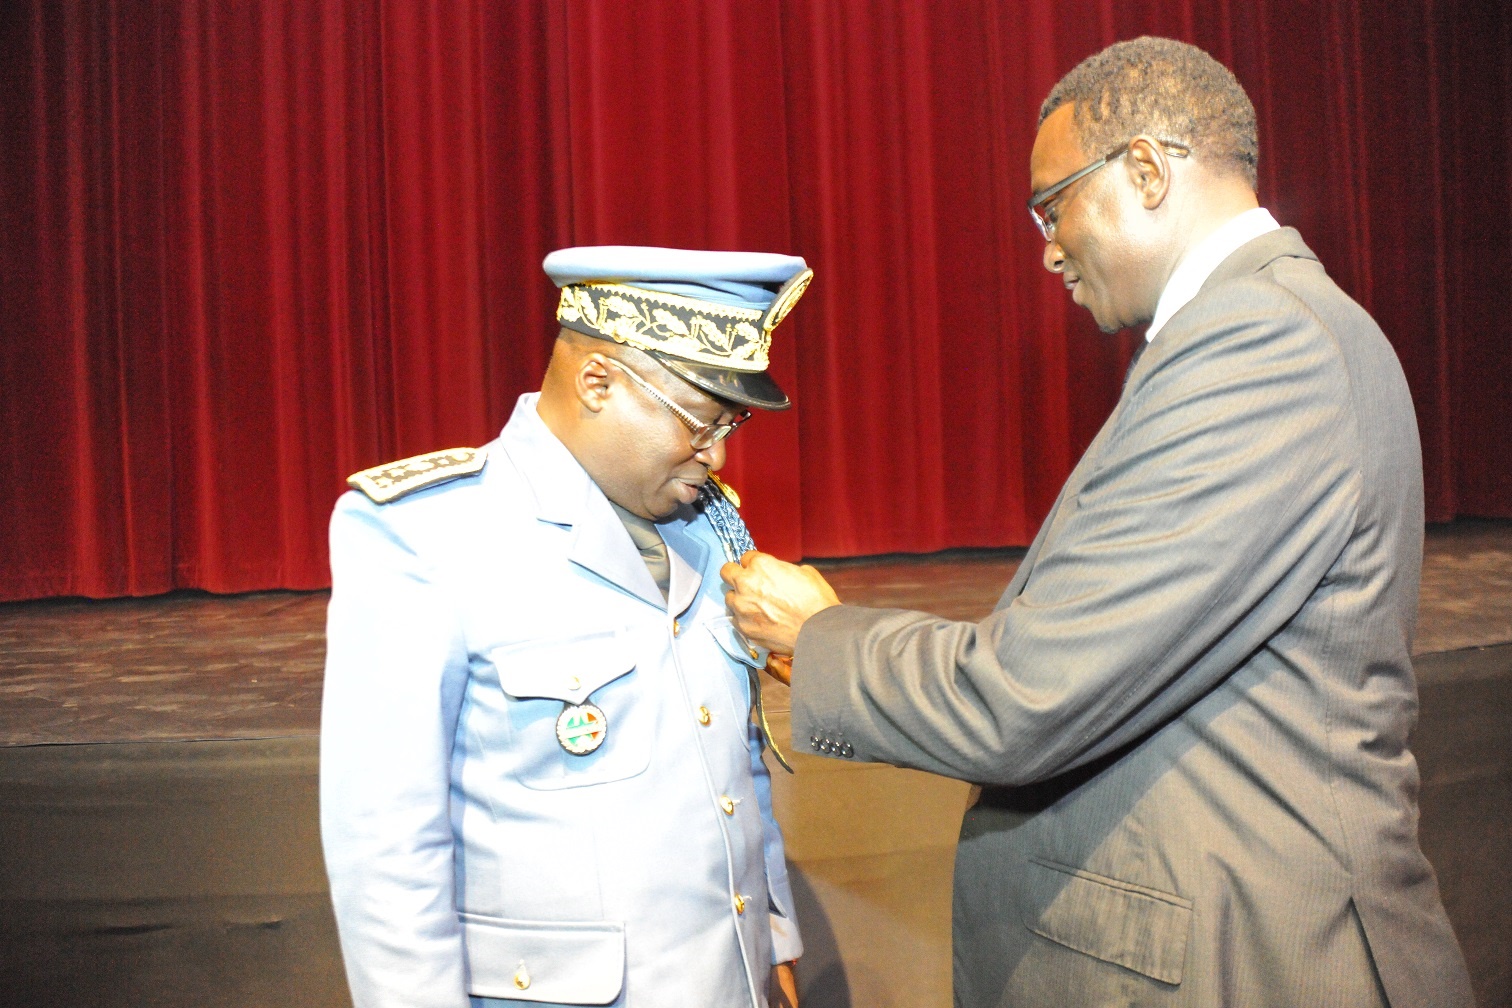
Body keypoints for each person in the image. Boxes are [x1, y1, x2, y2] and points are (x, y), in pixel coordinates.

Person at [723, 37, 1473, 1008]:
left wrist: (820, 638)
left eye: (1052, 204)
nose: (1045, 246)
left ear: (1149, 170)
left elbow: (1032, 694)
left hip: (1247, 960)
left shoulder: (1261, 345)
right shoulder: (1248, 332)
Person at [321, 246, 813, 1008]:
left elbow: (734, 762)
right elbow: (386, 850)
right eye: (700, 421)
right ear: (598, 382)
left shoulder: (706, 527)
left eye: (733, 423)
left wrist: (772, 940)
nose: (717, 454)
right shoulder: (427, 533)